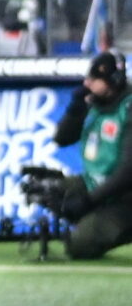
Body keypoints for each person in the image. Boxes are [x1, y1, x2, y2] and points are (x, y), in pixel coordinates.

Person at [51, 51, 132, 259]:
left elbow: (127, 172)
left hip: (125, 196)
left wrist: (88, 200)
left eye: (95, 80)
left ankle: (112, 227)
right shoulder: (94, 103)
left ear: (113, 81)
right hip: (98, 184)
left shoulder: (128, 108)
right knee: (48, 190)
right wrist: (75, 109)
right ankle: (95, 220)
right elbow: (62, 139)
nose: (88, 83)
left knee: (78, 247)